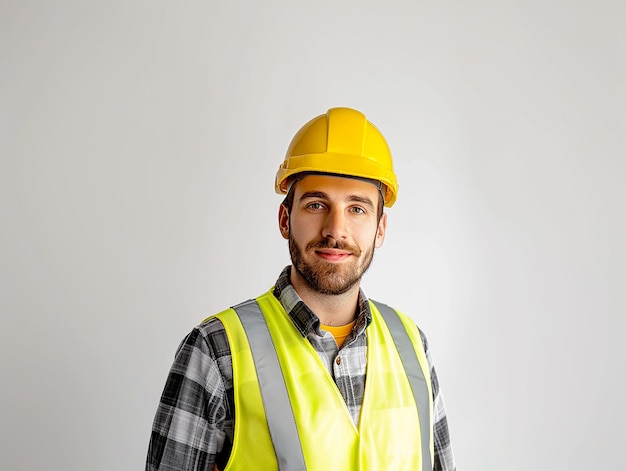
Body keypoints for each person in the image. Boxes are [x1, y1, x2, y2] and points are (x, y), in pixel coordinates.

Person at [146, 107, 456, 470]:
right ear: (284, 219)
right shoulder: (217, 350)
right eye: (316, 204)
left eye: (357, 209)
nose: (335, 230)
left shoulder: (412, 347)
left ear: (380, 228)